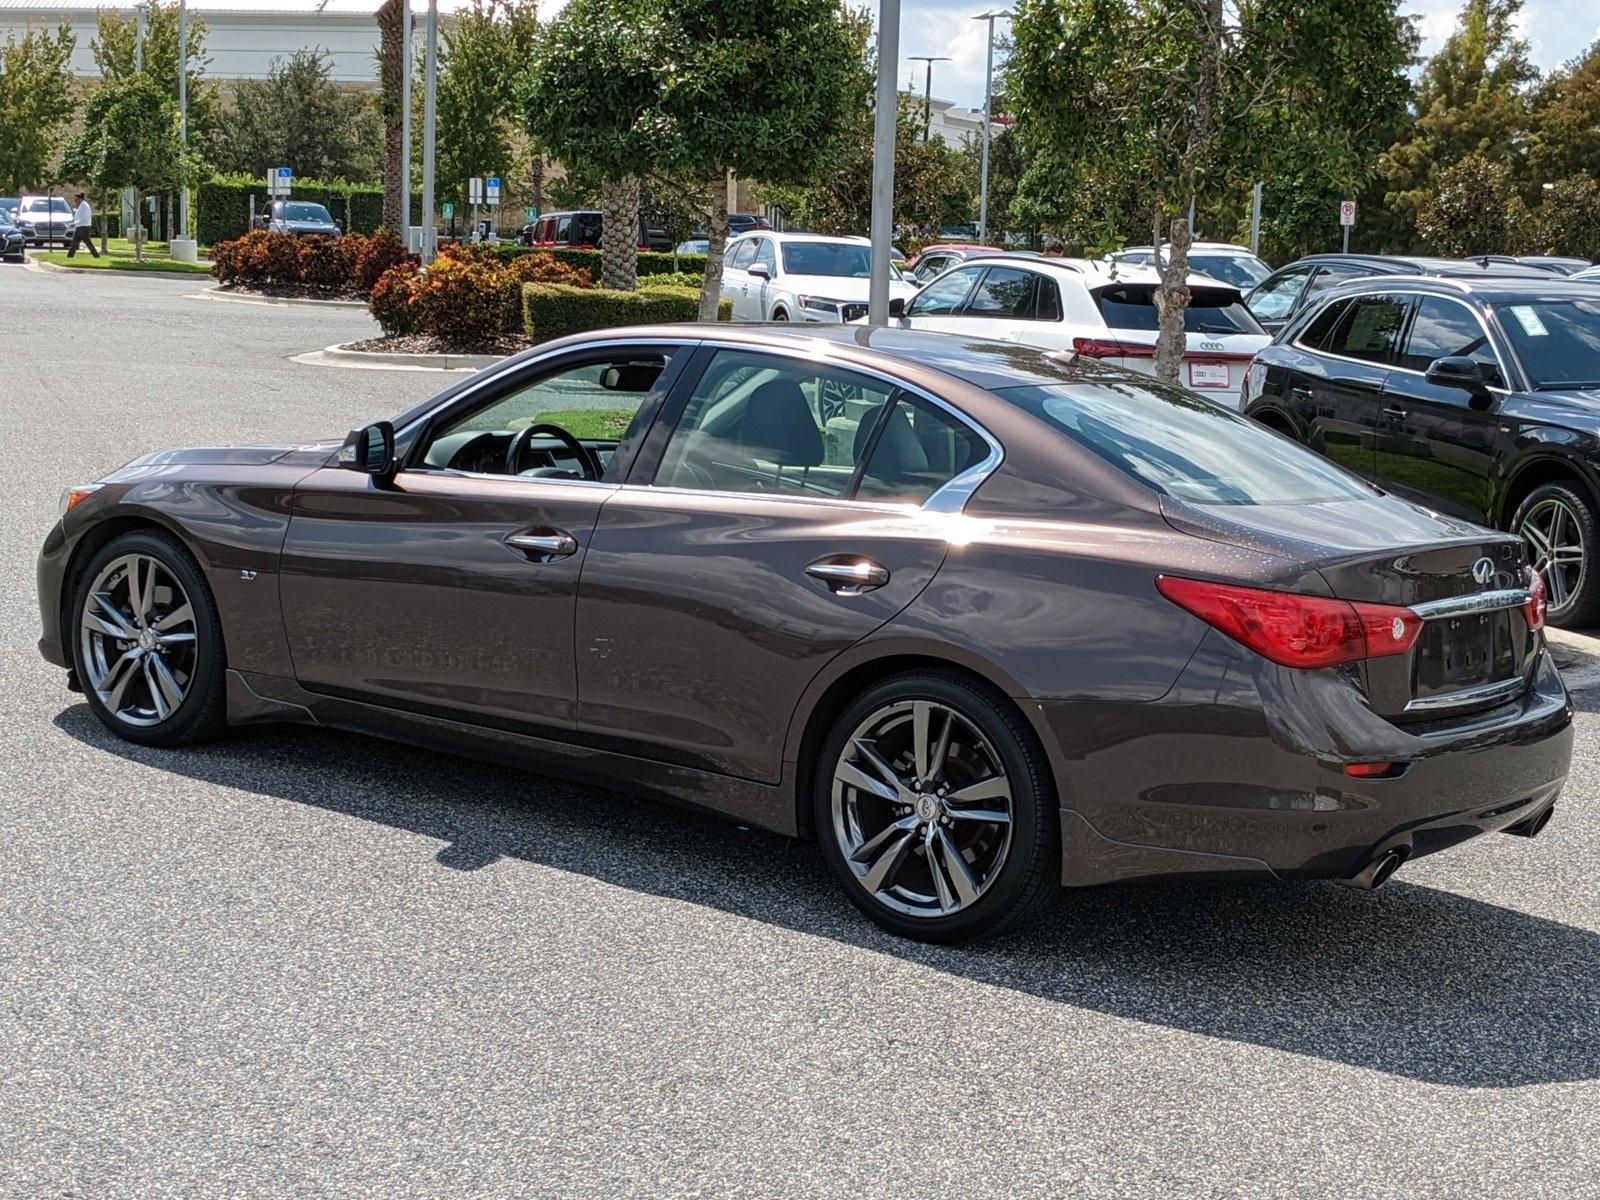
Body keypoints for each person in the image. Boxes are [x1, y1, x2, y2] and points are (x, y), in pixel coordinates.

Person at [67, 193, 100, 258]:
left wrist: (75, 223)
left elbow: (85, 218)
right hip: (79, 227)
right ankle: (70, 256)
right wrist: (75, 223)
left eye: (76, 199)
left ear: (80, 199)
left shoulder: (85, 206)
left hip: (84, 227)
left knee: (87, 242)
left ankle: (96, 255)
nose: (75, 201)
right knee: (74, 242)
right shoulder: (81, 206)